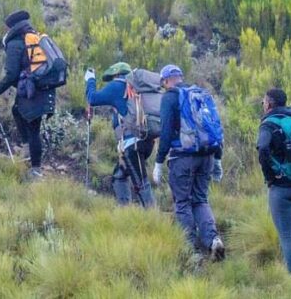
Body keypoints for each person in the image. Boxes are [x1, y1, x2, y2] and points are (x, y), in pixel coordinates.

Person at [152, 64, 225, 260]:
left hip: (182, 158)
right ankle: (213, 240)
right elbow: (215, 127)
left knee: (182, 202)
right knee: (201, 199)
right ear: (181, 77)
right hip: (207, 155)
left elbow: (166, 131)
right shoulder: (200, 93)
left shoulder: (170, 96)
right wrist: (218, 159)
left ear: (166, 81)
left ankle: (191, 249)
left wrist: (159, 162)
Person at [0, 10, 56, 180]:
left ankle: (35, 169)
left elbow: (11, 74)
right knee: (18, 111)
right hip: (44, 88)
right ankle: (28, 151)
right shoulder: (35, 38)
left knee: (33, 128)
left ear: (10, 27)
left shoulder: (16, 43)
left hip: (32, 90)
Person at [257, 88, 291, 278]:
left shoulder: (268, 125)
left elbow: (263, 149)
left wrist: (270, 178)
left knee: (286, 237)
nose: (263, 105)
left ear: (270, 103)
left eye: (264, 101)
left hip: (281, 188)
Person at [84, 62, 156, 207]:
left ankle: (153, 217)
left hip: (131, 144)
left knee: (140, 183)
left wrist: (90, 80)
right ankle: (124, 212)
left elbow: (92, 98)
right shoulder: (139, 88)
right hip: (146, 141)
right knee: (119, 175)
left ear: (116, 74)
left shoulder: (117, 86)